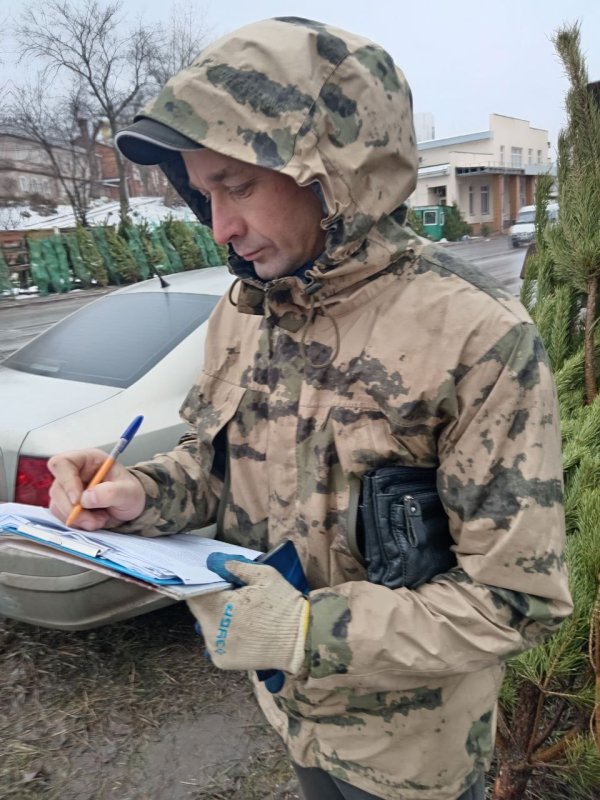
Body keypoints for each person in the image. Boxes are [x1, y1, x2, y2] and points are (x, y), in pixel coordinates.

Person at [48, 17, 572, 800]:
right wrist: (142, 493)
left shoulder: (477, 336)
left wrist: (304, 631)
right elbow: (215, 466)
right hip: (290, 718)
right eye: (203, 192)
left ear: (336, 171)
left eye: (238, 185)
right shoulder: (245, 313)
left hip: (412, 756)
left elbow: (516, 600)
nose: (220, 226)